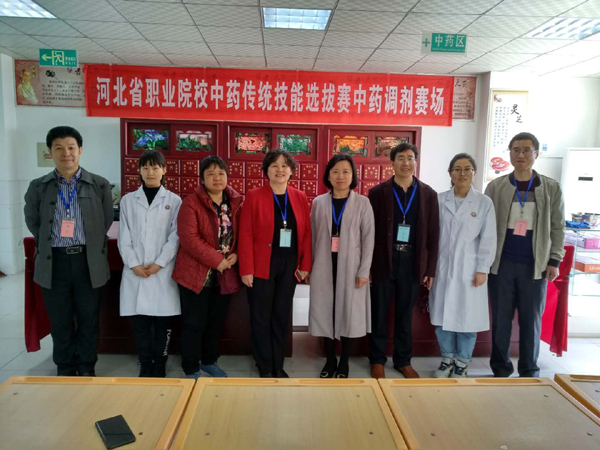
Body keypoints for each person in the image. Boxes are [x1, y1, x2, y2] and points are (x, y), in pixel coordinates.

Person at [24, 126, 113, 376]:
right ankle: (64, 367)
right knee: (60, 320)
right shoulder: (38, 186)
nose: (66, 153)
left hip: (88, 262)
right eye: (59, 148)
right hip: (55, 263)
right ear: (50, 151)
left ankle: (86, 366)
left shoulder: (99, 184)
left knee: (88, 319)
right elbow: (33, 221)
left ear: (80, 150)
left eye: (71, 147)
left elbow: (105, 220)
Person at [485, 132, 565, 378]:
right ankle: (501, 368)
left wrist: (554, 260)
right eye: (516, 150)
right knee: (501, 320)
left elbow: (558, 227)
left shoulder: (550, 187)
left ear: (536, 154)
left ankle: (529, 369)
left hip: (535, 266)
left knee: (531, 320)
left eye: (526, 150)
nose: (520, 155)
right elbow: (485, 226)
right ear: (509, 153)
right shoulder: (496, 187)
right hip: (501, 264)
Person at [368, 142, 439, 379]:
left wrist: (430, 269)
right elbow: (369, 232)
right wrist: (368, 266)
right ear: (392, 162)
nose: (406, 163)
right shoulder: (378, 193)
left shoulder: (428, 194)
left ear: (416, 162)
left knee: (405, 315)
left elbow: (433, 234)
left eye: (410, 158)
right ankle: (377, 359)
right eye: (400, 158)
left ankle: (403, 360)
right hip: (384, 261)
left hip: (413, 262)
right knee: (379, 312)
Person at [239, 149, 312, 378]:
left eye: (284, 166)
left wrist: (305, 265)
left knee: (281, 315)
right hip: (262, 265)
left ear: (291, 171)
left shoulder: (299, 196)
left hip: (289, 266)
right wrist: (246, 269)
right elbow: (245, 234)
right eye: (274, 165)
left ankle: (278, 364)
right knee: (261, 317)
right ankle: (264, 365)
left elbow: (306, 233)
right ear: (266, 171)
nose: (280, 170)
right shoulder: (254, 195)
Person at [172, 156, 243, 379]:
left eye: (221, 173)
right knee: (194, 323)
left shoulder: (236, 202)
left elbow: (243, 232)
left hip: (224, 274)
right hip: (195, 273)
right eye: (211, 174)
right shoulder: (191, 203)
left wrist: (237, 253)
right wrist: (216, 260)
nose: (217, 178)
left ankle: (209, 361)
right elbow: (188, 238)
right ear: (202, 178)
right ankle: (191, 367)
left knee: (215, 322)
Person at [429, 153, 496, 378]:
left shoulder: (484, 203)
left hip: (470, 269)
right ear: (450, 173)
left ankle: (462, 363)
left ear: (474, 173)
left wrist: (482, 269)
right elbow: (431, 236)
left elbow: (489, 239)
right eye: (457, 169)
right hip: (442, 267)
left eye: (467, 169)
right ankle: (446, 359)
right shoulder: (439, 200)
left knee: (468, 319)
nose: (462, 173)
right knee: (442, 317)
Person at [308, 154, 375, 378]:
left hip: (352, 266)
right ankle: (329, 360)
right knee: (325, 311)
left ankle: (344, 361)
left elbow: (369, 239)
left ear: (353, 175)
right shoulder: (319, 202)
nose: (340, 176)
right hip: (324, 264)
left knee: (348, 312)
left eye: (346, 171)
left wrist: (364, 270)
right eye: (335, 171)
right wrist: (309, 267)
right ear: (328, 175)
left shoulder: (363, 203)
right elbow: (312, 237)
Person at [117, 151, 182, 378]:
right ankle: (145, 363)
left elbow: (175, 236)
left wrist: (159, 263)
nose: (150, 172)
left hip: (162, 272)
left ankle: (160, 363)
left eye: (155, 168)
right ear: (139, 171)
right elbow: (124, 236)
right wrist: (134, 264)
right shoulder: (128, 201)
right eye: (145, 168)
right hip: (135, 272)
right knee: (140, 325)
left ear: (164, 170)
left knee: (163, 324)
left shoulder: (174, 201)